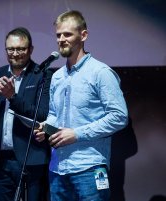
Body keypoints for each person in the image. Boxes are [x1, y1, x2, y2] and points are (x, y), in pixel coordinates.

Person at [34, 10, 128, 200]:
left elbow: (119, 116)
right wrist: (46, 127)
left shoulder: (100, 72)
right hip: (58, 168)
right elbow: (54, 113)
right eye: (58, 35)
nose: (61, 39)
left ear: (83, 35)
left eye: (67, 34)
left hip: (89, 167)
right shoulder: (57, 76)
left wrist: (77, 134)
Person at [0, 27, 52, 201]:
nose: (15, 53)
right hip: (0, 160)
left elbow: (43, 114)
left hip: (31, 158)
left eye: (21, 49)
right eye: (11, 49)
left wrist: (12, 97)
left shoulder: (42, 75)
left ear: (30, 49)